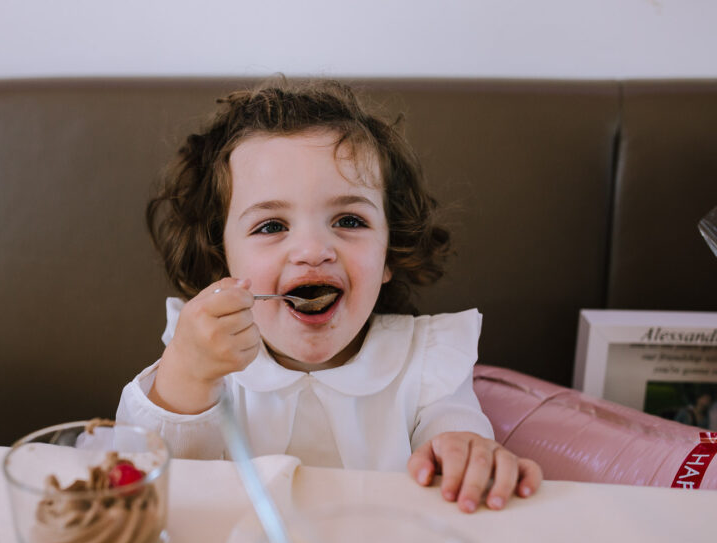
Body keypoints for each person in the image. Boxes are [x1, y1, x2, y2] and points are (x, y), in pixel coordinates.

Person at [117, 79, 542, 512]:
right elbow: (138, 481)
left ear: (389, 252)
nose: (313, 250)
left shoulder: (426, 364)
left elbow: (454, 430)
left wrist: (464, 450)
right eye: (271, 226)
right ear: (221, 261)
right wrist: (186, 377)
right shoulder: (203, 361)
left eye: (349, 221)